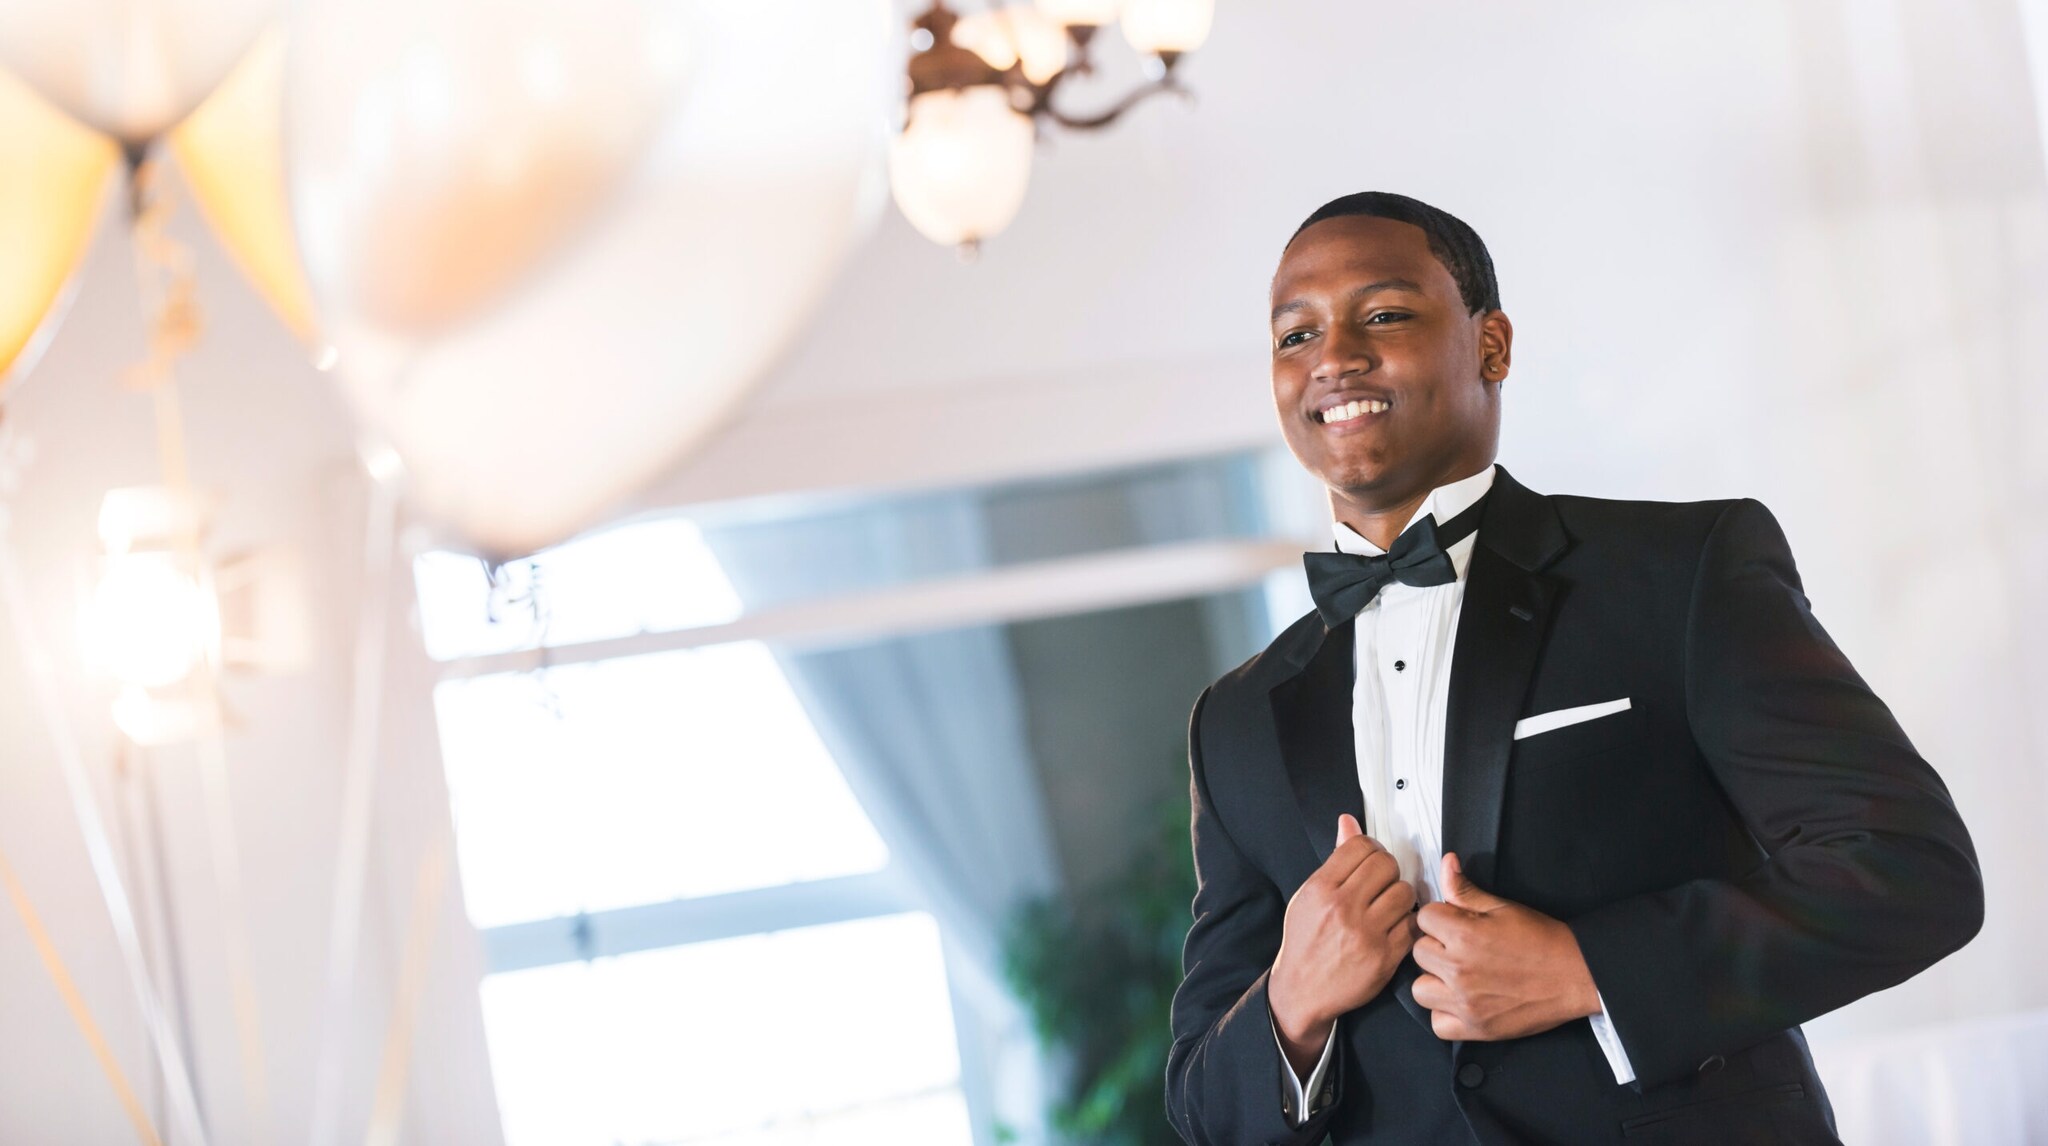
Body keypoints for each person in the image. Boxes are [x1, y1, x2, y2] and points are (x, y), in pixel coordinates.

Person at [1162, 192, 1983, 1145]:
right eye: (1294, 334)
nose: (1334, 356)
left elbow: (1910, 872)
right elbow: (1199, 1105)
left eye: (1383, 314)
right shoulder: (1235, 721)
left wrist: (1589, 970)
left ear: (1493, 347)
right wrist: (1290, 1009)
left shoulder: (1682, 574)